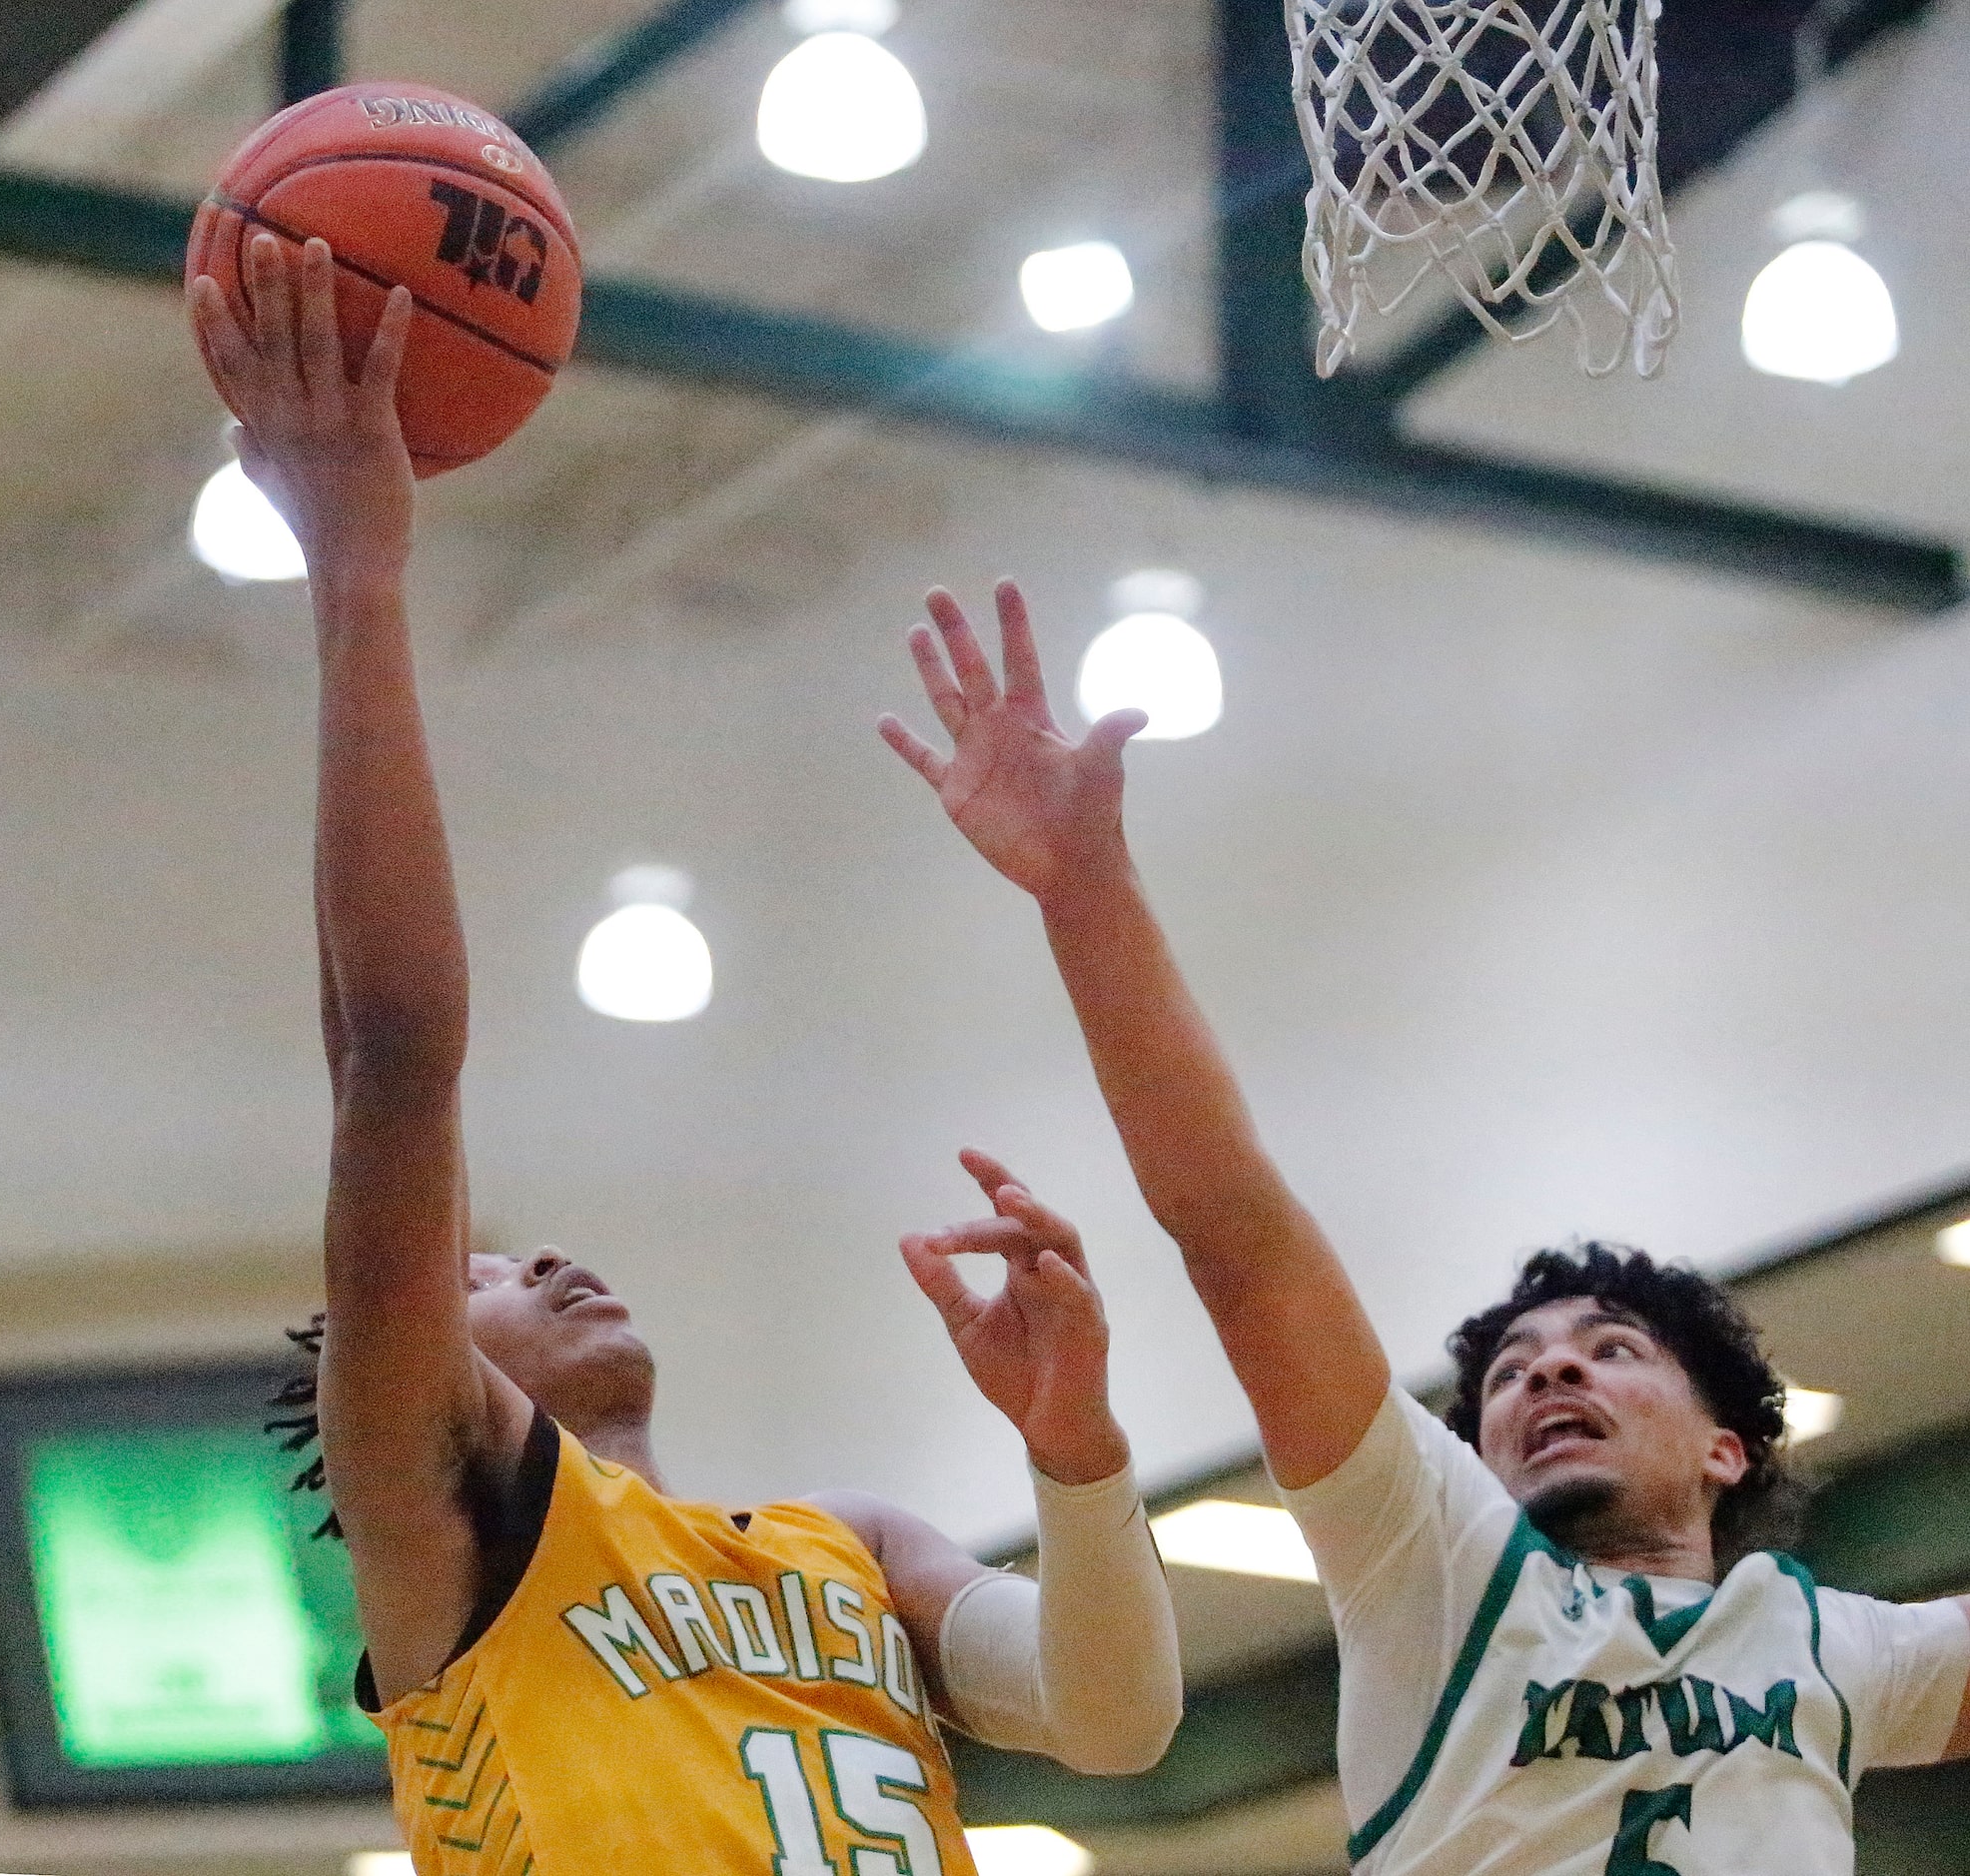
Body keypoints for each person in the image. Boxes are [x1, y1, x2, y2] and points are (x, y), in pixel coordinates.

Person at [187, 241, 1180, 1876]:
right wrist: (356, 579)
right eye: (487, 1272)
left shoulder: (849, 1547)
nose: (552, 1258)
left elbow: (1113, 1717)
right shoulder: (454, 1514)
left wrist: (1073, 1441)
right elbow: (395, 1057)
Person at [881, 578, 1970, 1876]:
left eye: (1609, 1348)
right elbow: (1237, 1233)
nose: (1549, 1369)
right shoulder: (1438, 1560)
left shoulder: (1836, 1646)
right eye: (1510, 1372)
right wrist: (1084, 890)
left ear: (1727, 1446)